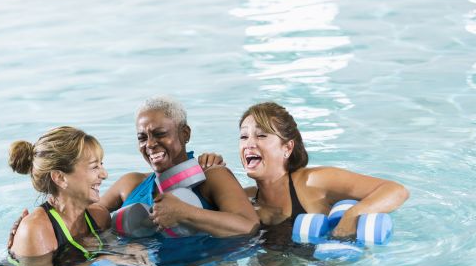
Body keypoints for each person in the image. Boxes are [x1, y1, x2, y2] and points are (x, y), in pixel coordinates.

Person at [0, 126, 151, 266]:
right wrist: (100, 260)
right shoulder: (36, 229)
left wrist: (127, 249)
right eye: (94, 167)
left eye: (101, 165)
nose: (104, 174)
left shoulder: (98, 216)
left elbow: (108, 250)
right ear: (60, 178)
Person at [223, 101, 409, 238]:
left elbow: (396, 191)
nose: (249, 144)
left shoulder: (312, 182)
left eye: (261, 135)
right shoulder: (244, 199)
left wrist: (353, 215)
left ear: (287, 148)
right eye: (243, 136)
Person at [99, 96, 259, 237]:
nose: (149, 144)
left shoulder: (212, 177)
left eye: (160, 134)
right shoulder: (130, 184)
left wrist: (185, 214)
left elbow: (249, 225)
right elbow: (89, 214)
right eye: (142, 138)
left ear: (185, 134)